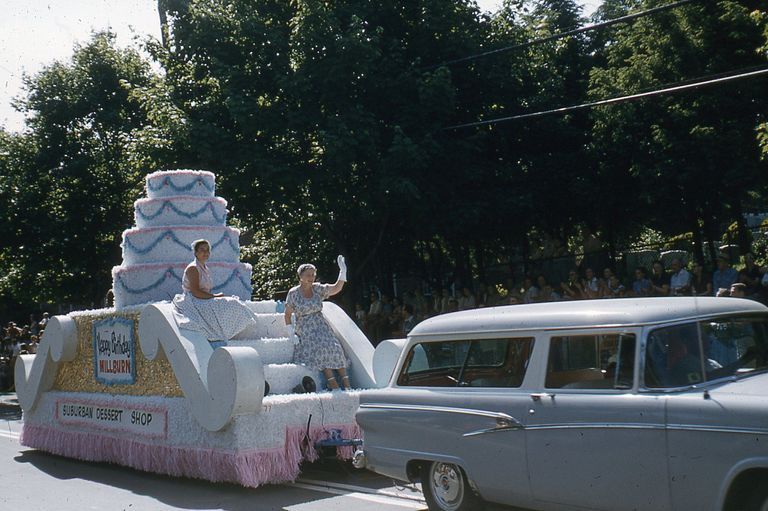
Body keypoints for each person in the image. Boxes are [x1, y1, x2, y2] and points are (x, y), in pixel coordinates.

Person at [284, 256, 351, 391]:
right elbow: (287, 314)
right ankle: (333, 384)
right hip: (305, 326)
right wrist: (291, 332)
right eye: (308, 274)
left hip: (320, 324)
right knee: (320, 348)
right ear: (300, 276)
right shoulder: (293, 293)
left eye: (313, 274)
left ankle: (347, 384)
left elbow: (335, 288)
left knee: (335, 347)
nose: (311, 277)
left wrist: (342, 272)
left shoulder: (317, 289)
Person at [172, 239, 258, 340]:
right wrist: (214, 296)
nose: (205, 252)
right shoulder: (193, 268)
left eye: (207, 250)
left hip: (202, 298)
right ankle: (225, 332)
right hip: (193, 300)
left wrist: (213, 296)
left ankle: (241, 327)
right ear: (195, 252)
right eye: (202, 250)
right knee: (230, 302)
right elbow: (195, 291)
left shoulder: (204, 268)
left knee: (231, 302)